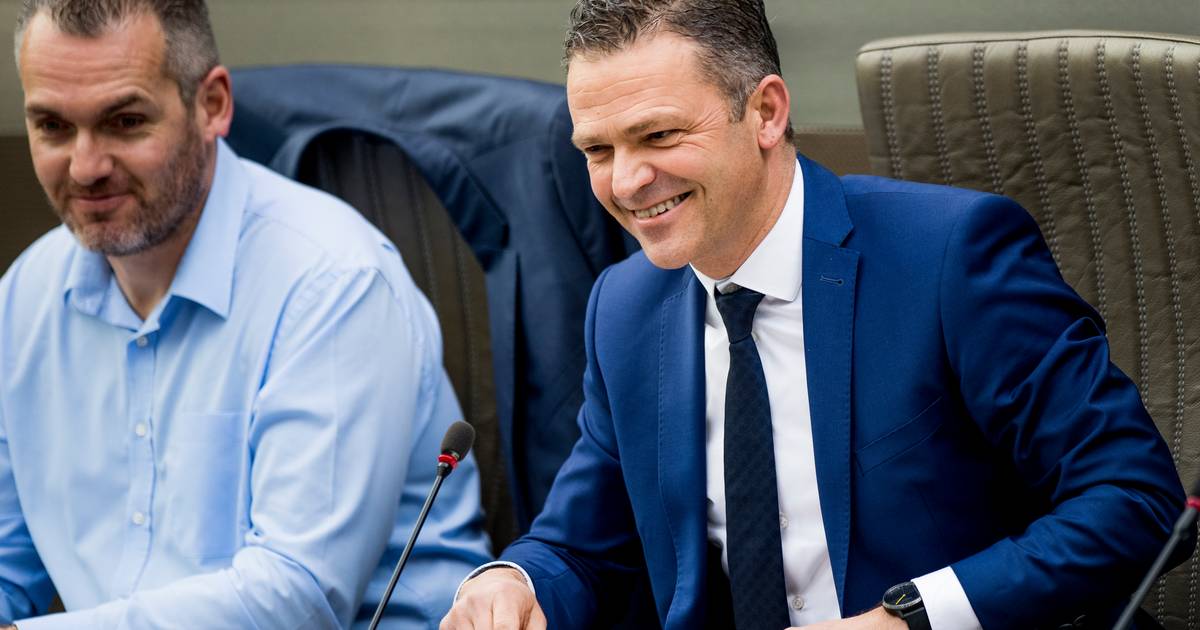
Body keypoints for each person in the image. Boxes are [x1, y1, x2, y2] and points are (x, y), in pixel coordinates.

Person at [441, 1, 1187, 629]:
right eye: (597, 150)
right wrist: (514, 582)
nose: (628, 181)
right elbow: (582, 548)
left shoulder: (948, 255)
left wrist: (908, 619)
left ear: (766, 112)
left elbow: (1135, 499)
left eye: (659, 135)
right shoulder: (624, 307)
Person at [1, 0, 491, 627]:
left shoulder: (333, 284)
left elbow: (297, 600)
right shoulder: (24, 298)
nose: (86, 166)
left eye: (125, 122)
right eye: (52, 126)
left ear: (212, 105)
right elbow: (7, 563)